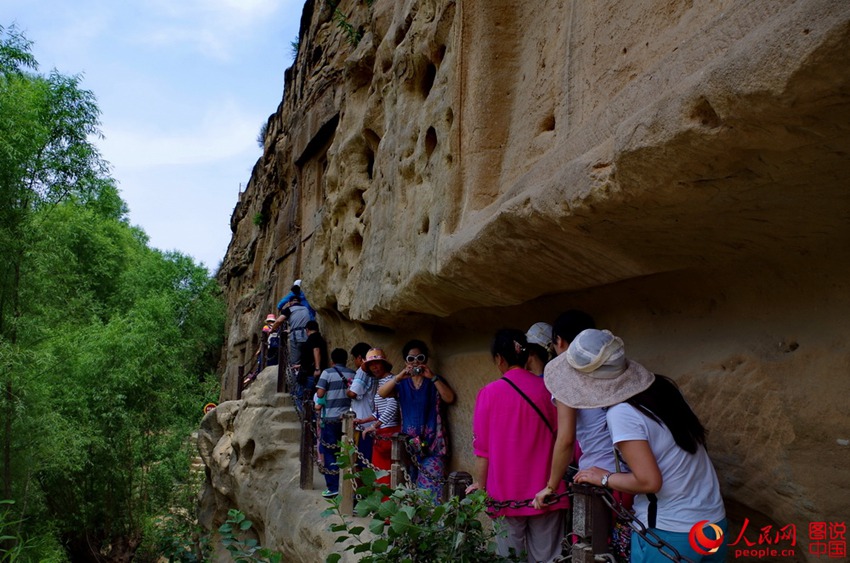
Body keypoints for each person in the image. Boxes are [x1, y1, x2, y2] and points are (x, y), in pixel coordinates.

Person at [551, 329, 727, 562]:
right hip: (713, 521)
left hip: (670, 531)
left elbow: (649, 481)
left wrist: (603, 477)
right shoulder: (661, 388)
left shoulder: (622, 413)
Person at [469, 329, 569, 563]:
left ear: (499, 359)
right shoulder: (548, 390)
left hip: (504, 494)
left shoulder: (488, 394)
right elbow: (564, 439)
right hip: (547, 491)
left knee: (508, 558)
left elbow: (483, 452)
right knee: (548, 558)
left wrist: (480, 487)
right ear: (527, 356)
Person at [378, 339, 454, 499]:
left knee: (431, 489)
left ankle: (432, 522)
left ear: (425, 360)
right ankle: (419, 522)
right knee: (412, 487)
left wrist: (432, 377)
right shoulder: (402, 384)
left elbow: (449, 398)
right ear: (405, 361)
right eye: (411, 359)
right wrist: (399, 376)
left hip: (434, 444)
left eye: (420, 358)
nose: (415, 362)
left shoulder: (435, 380)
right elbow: (382, 393)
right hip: (410, 446)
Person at [315, 348, 356, 497]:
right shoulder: (353, 373)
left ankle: (333, 487)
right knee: (346, 452)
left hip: (331, 418)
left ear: (332, 360)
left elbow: (320, 393)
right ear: (346, 359)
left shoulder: (327, 373)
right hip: (348, 418)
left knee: (330, 452)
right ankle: (348, 487)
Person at [361, 348, 400, 484]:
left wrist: (374, 425)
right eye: (371, 365)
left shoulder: (390, 380)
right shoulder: (382, 381)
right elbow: (380, 411)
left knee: (385, 475)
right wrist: (363, 420)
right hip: (383, 431)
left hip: (390, 431)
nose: (374, 367)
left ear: (384, 364)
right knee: (380, 474)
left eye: (377, 363)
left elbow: (392, 407)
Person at [347, 342, 377, 466]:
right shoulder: (374, 371)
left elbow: (353, 393)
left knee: (362, 462)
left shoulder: (362, 371)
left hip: (363, 423)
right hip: (373, 420)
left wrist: (347, 391)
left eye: (354, 359)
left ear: (359, 358)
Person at [295, 320, 328, 403]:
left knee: (303, 396)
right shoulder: (319, 338)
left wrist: (317, 369)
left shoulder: (313, 338)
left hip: (310, 373)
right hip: (310, 371)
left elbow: (316, 350)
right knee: (309, 398)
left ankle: (304, 415)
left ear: (307, 330)